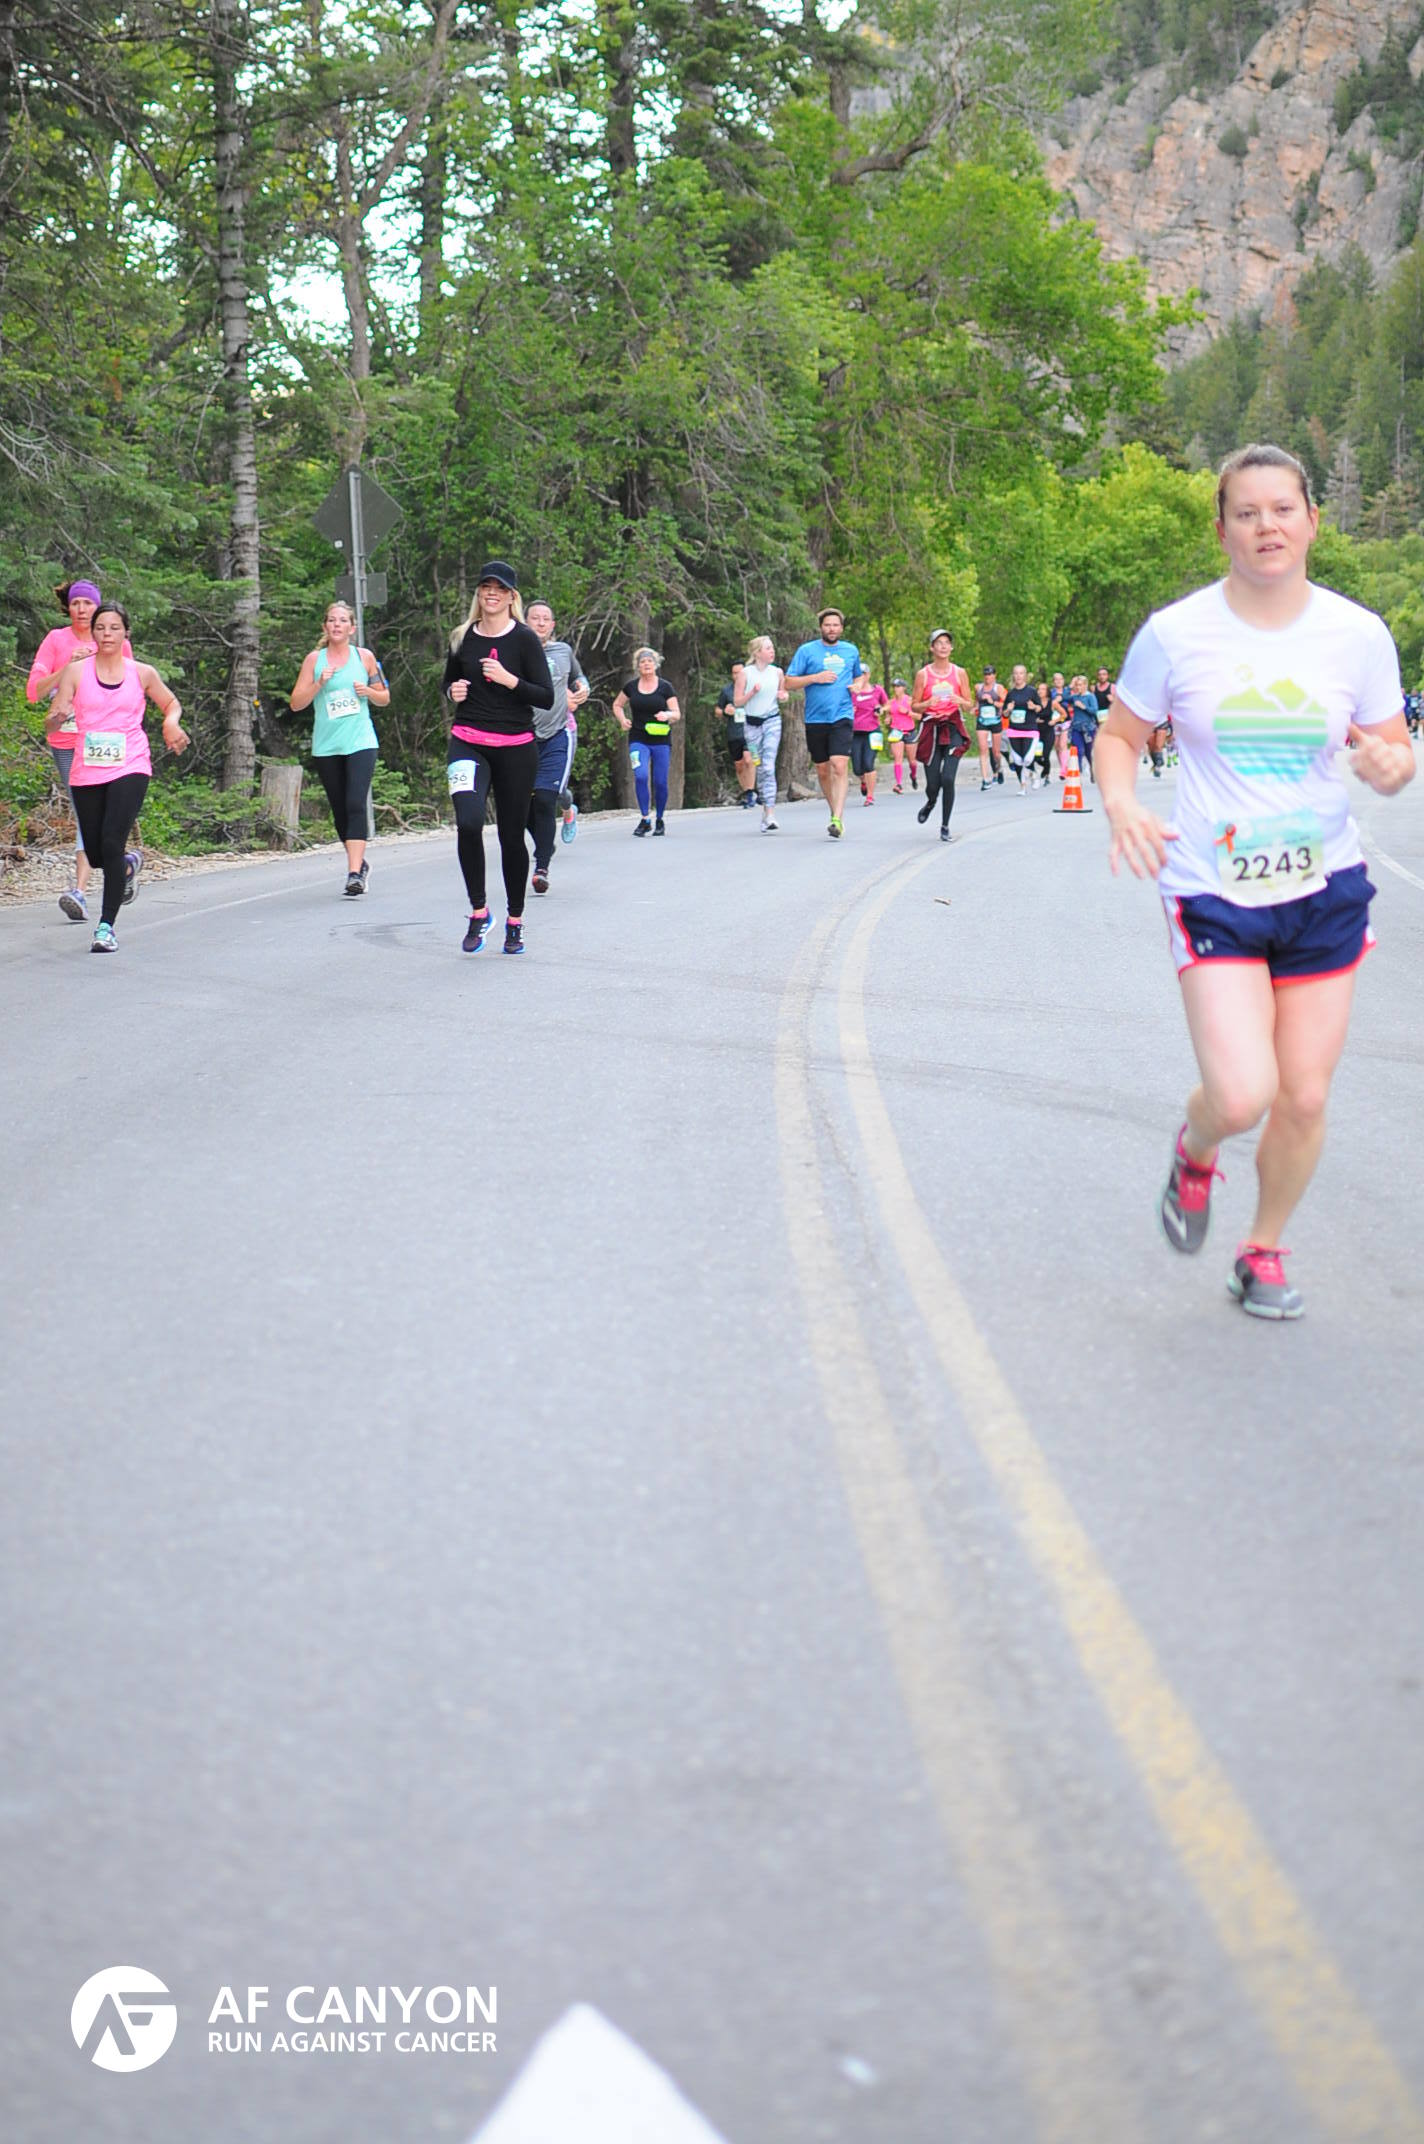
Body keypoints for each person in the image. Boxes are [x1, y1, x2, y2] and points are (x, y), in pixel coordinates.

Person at [1100, 441, 1414, 1320]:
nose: (1266, 526)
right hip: (1214, 888)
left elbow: (1392, 748)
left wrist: (1392, 767)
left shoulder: (1357, 634)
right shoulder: (1176, 633)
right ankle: (1197, 1149)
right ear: (1223, 531)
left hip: (1324, 888)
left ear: (1313, 520)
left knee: (1304, 1094)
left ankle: (1262, 1249)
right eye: (1247, 513)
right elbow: (1119, 737)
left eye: (1282, 509)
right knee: (1242, 1095)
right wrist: (1121, 803)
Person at [43, 603, 188, 951]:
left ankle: (105, 928)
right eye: (101, 628)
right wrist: (57, 718)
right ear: (92, 633)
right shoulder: (76, 672)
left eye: (114, 628)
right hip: (87, 768)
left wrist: (171, 723)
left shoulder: (142, 673)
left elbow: (171, 704)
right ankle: (126, 867)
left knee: (111, 842)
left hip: (130, 764)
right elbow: (50, 724)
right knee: (96, 855)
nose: (107, 634)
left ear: (126, 633)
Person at [442, 561, 554, 954]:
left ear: (511, 597)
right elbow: (448, 682)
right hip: (468, 741)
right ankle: (479, 911)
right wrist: (452, 691)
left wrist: (510, 680)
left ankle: (515, 920)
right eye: (486, 586)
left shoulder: (524, 640)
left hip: (516, 747)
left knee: (510, 836)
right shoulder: (462, 637)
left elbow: (545, 696)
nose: (492, 593)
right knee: (468, 822)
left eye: (500, 588)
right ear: (479, 593)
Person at [27, 579, 134, 919]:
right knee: (85, 813)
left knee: (99, 814)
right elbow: (34, 691)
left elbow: (130, 688)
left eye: (88, 604)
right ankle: (121, 867)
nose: (82, 609)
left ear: (98, 608)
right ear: (68, 607)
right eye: (76, 603)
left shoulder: (114, 640)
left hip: (105, 741)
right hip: (66, 740)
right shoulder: (56, 640)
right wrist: (68, 668)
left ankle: (83, 889)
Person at [288, 601, 389, 895]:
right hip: (327, 745)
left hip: (360, 741)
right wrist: (319, 683)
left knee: (356, 803)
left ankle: (354, 873)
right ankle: (360, 862)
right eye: (332, 620)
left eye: (343, 620)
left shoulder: (364, 657)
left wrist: (368, 691)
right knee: (340, 809)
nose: (337, 625)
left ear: (352, 628)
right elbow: (296, 703)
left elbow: (384, 697)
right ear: (325, 626)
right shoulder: (314, 660)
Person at [784, 607, 867, 838]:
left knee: (839, 765)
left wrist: (858, 685)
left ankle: (837, 818)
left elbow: (858, 675)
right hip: (815, 717)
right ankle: (834, 812)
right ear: (821, 627)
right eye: (827, 625)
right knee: (822, 770)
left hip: (842, 714)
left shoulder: (850, 650)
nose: (831, 629)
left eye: (835, 625)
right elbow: (788, 682)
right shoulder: (807, 651)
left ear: (841, 628)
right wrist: (815, 678)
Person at [524, 599, 588, 894]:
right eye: (534, 618)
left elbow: (578, 678)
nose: (540, 623)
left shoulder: (563, 651)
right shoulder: (516, 651)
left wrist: (583, 690)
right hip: (522, 736)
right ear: (524, 622)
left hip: (559, 733)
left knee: (545, 799)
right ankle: (545, 841)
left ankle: (541, 868)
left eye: (545, 619)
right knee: (523, 806)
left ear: (552, 625)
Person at [911, 630, 972, 840]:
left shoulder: (959, 673)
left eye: (947, 642)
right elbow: (914, 705)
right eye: (939, 643)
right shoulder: (923, 674)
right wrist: (927, 703)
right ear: (932, 648)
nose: (944, 646)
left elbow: (969, 704)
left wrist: (960, 701)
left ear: (951, 648)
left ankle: (945, 826)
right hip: (932, 729)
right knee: (933, 783)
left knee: (948, 778)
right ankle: (931, 802)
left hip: (953, 727)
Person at [613, 647, 681, 835]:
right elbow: (617, 705)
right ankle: (645, 819)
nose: (646, 664)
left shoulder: (665, 687)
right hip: (638, 738)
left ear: (656, 664)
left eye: (649, 661)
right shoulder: (631, 687)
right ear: (637, 666)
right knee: (641, 776)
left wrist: (667, 715)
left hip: (661, 740)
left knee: (660, 781)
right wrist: (622, 720)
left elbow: (677, 713)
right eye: (642, 662)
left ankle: (659, 818)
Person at [734, 635, 786, 831]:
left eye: (772, 648)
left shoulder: (777, 672)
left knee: (769, 766)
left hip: (772, 721)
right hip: (751, 726)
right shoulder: (745, 674)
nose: (772, 651)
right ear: (757, 653)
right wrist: (752, 693)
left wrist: (783, 695)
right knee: (759, 764)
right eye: (768, 648)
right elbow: (737, 701)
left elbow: (783, 693)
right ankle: (765, 809)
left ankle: (770, 812)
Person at [849, 670, 889, 804]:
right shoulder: (850, 691)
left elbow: (887, 704)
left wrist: (882, 710)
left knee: (868, 763)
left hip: (873, 731)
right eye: (859, 674)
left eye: (864, 674)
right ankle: (863, 781)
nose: (861, 676)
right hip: (855, 732)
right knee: (857, 768)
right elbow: (840, 706)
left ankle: (870, 796)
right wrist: (849, 710)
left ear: (868, 675)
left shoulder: (877, 690)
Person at [1003, 664, 1044, 791]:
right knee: (1017, 760)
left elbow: (1040, 708)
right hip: (1014, 730)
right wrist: (1008, 710)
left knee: (1027, 759)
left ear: (1025, 676)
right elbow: (1004, 714)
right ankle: (1022, 785)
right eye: (1016, 673)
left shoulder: (1031, 691)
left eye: (1021, 673)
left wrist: (1034, 707)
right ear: (1013, 676)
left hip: (1029, 729)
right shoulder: (1010, 693)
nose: (1018, 676)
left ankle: (1033, 774)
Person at [719, 669, 757, 807]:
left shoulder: (753, 688)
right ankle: (747, 792)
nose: (737, 675)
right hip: (734, 733)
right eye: (734, 673)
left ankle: (751, 792)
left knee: (750, 759)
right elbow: (718, 710)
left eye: (739, 672)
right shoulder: (726, 691)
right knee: (739, 765)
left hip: (751, 731)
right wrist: (725, 711)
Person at [974, 666, 1005, 788]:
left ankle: (999, 769)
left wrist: (993, 702)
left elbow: (1005, 704)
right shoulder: (978, 687)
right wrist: (974, 708)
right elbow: (976, 702)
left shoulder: (999, 688)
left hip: (995, 721)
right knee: (983, 749)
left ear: (994, 675)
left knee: (996, 752)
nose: (987, 677)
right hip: (982, 721)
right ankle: (985, 779)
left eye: (990, 674)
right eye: (986, 674)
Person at [885, 678, 917, 792]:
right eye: (894, 686)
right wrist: (888, 719)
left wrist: (907, 712)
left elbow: (919, 716)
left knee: (912, 761)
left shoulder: (910, 701)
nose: (896, 689)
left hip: (909, 731)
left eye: (898, 686)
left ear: (904, 688)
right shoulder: (890, 702)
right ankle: (898, 784)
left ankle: (913, 775)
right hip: (896, 732)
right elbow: (888, 716)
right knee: (897, 759)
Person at [1067, 675, 1100, 779]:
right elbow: (1063, 698)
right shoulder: (1075, 697)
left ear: (1085, 685)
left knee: (1088, 751)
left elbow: (1094, 710)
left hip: (1088, 729)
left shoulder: (1090, 696)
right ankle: (1078, 774)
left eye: (1080, 685)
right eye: (1077, 685)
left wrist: (1083, 707)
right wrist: (1070, 686)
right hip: (1076, 728)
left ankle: (1092, 768)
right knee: (1078, 750)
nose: (1078, 687)